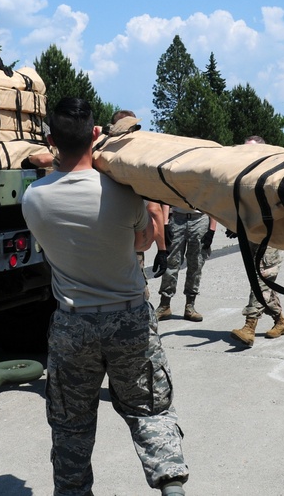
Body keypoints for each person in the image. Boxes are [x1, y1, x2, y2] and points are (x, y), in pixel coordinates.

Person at [22, 97, 188, 496]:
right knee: (150, 412)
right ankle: (172, 488)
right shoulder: (121, 192)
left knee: (71, 426)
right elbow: (143, 242)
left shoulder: (33, 199)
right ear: (96, 135)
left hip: (72, 325)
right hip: (130, 319)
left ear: (50, 140)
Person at [229, 135, 284, 347]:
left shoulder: (274, 175)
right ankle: (280, 321)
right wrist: (234, 224)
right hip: (250, 233)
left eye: (250, 150)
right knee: (263, 281)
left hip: (270, 235)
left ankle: (249, 326)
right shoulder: (242, 176)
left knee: (261, 278)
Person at [109, 109, 167, 297]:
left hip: (103, 243)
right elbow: (154, 211)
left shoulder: (100, 157)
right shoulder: (138, 164)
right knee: (138, 295)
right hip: (132, 243)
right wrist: (162, 250)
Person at [154, 203, 215, 322]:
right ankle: (164, 305)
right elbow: (167, 197)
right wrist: (165, 223)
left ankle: (190, 306)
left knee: (196, 264)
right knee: (171, 262)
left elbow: (213, 201)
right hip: (177, 218)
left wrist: (212, 230)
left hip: (200, 219)